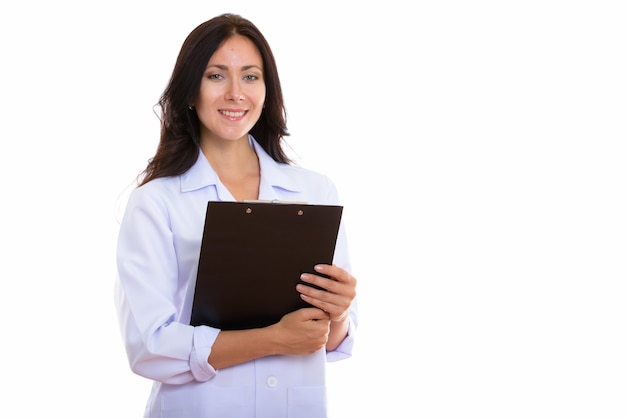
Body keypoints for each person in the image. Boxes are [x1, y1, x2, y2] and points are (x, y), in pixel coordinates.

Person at [114, 13, 358, 418]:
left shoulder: (315, 192)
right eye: (215, 76)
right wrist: (274, 338)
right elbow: (150, 346)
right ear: (190, 90)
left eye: (250, 76)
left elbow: (333, 342)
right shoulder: (156, 202)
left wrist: (340, 310)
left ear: (267, 89)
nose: (235, 93)